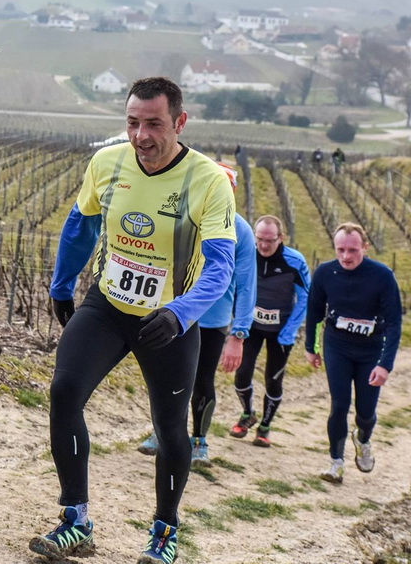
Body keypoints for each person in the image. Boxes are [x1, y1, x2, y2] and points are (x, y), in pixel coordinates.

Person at [28, 77, 236, 564]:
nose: (141, 135)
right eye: (132, 123)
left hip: (169, 319)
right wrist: (62, 284)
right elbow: (80, 224)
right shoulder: (107, 162)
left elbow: (220, 267)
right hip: (107, 306)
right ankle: (75, 521)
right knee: (63, 393)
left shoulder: (207, 181)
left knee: (169, 428)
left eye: (154, 124)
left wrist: (181, 313)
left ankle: (165, 531)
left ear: (179, 123)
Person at [137, 164, 257, 468]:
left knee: (202, 380)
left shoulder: (240, 230)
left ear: (232, 192)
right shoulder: (183, 217)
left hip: (213, 321)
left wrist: (239, 334)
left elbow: (246, 286)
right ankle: (162, 432)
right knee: (166, 378)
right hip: (173, 314)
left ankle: (199, 441)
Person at [304, 223, 401, 484]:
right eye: (341, 250)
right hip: (337, 345)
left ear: (365, 248)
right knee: (339, 404)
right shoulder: (325, 273)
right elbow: (314, 312)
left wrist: (385, 365)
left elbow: (394, 323)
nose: (346, 256)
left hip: (371, 349)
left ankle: (363, 438)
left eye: (353, 250)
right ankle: (336, 462)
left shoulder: (382, 276)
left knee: (365, 412)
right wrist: (310, 348)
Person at [230, 215, 310, 448]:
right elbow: (236, 287)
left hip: (281, 331)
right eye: (259, 239)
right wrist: (237, 323)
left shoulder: (294, 261)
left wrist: (290, 330)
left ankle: (264, 427)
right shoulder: (247, 254)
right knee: (242, 374)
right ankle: (247, 414)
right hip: (252, 327)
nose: (264, 245)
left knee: (273, 380)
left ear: (281, 238)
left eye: (270, 240)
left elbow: (306, 296)